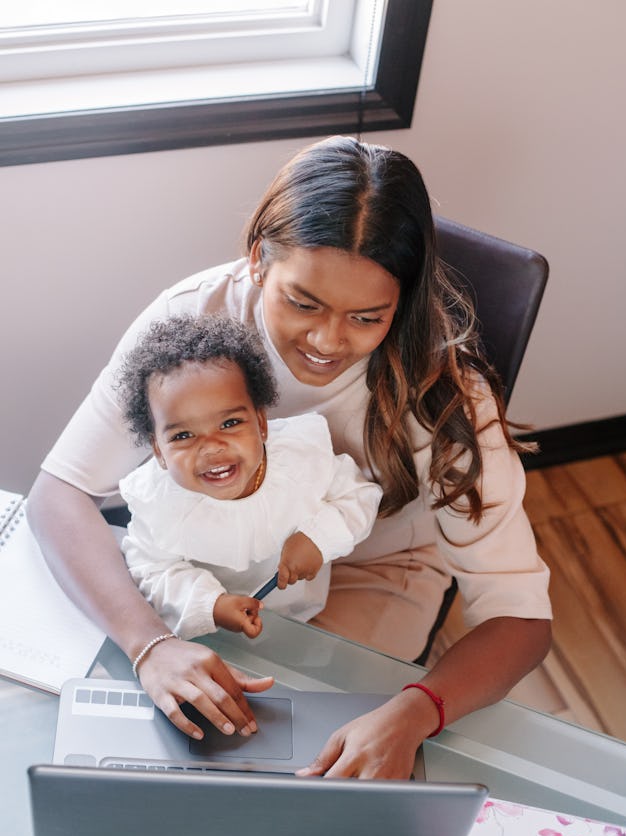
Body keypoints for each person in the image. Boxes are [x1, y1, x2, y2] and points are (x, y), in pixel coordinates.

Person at [28, 135, 552, 778]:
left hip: (368, 566)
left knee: (291, 764)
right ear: (257, 260)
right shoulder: (194, 318)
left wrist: (417, 711)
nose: (328, 341)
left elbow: (520, 616)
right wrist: (151, 646)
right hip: (198, 548)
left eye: (367, 317)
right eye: (303, 303)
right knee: (114, 730)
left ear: (405, 301)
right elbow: (61, 492)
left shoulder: (445, 398)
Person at [116, 312, 382, 645]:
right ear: (158, 450)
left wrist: (318, 537)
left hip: (299, 613)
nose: (212, 447)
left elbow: (359, 496)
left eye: (229, 424)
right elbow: (151, 569)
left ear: (261, 423)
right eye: (183, 435)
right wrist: (211, 604)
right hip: (203, 628)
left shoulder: (302, 458)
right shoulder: (159, 502)